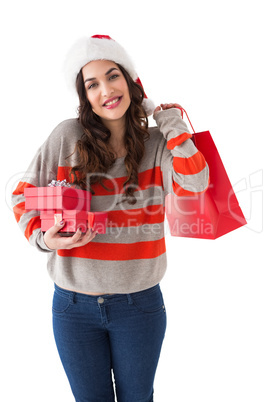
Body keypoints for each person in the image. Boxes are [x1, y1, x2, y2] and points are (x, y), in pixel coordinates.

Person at [12, 35, 209, 402]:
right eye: (92, 84)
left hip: (140, 307)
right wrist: (45, 238)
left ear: (132, 82)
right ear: (85, 97)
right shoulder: (67, 136)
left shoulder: (156, 144)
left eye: (113, 75)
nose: (106, 89)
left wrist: (169, 122)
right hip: (73, 308)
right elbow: (22, 195)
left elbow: (196, 182)